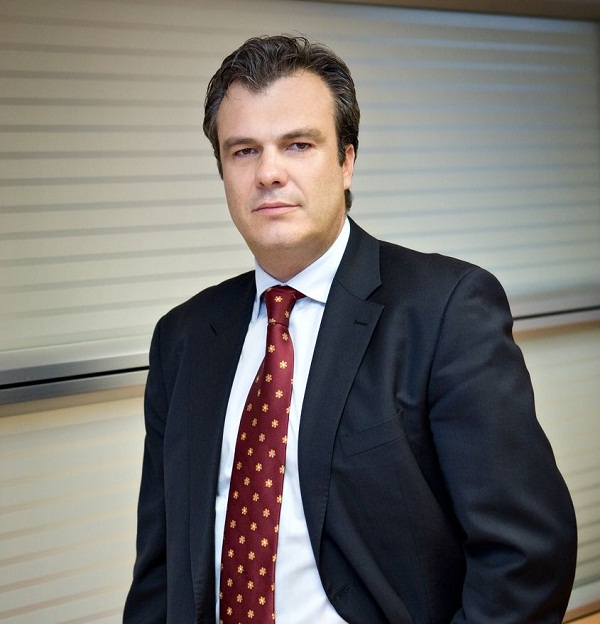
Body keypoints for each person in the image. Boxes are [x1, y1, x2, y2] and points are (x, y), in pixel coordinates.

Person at [123, 35, 577, 624]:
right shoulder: (182, 338)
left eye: (298, 144)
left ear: (346, 161)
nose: (269, 173)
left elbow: (525, 554)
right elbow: (159, 571)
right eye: (244, 151)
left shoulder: (445, 310)